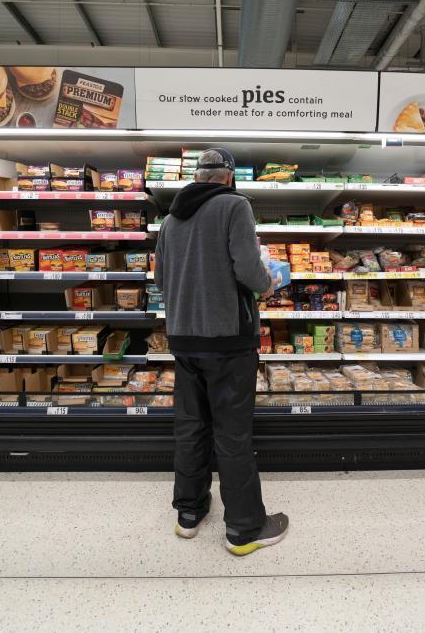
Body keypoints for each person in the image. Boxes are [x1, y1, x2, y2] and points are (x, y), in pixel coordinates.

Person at [154, 147, 289, 556]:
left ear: (197, 176)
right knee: (232, 433)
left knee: (191, 428)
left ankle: (189, 513)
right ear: (228, 176)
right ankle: (245, 529)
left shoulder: (170, 219)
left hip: (183, 339)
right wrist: (267, 284)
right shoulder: (235, 206)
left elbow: (160, 279)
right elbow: (247, 268)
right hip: (228, 341)